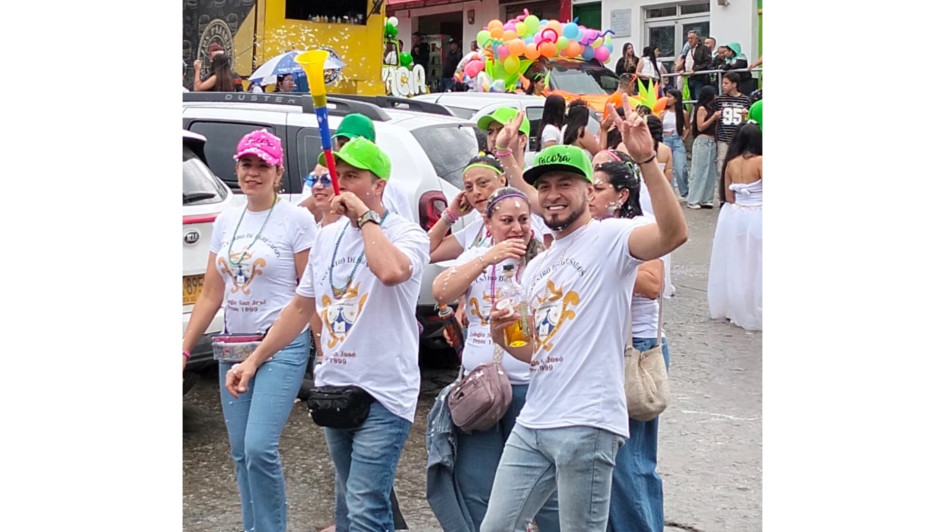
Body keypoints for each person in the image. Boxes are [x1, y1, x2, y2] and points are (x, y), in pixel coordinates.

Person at [478, 100, 688, 532]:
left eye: (565, 184)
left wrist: (647, 160)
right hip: (534, 422)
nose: (553, 194)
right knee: (495, 527)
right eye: (545, 186)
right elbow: (534, 351)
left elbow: (674, 234)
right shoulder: (538, 265)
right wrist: (503, 335)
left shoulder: (611, 238)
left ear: (588, 192)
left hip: (587, 421)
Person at [225, 136, 431, 532]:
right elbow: (301, 308)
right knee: (352, 506)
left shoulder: (407, 234)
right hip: (335, 387)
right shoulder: (327, 236)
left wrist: (365, 218)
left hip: (385, 392)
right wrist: (252, 361)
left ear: (379, 185)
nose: (342, 185)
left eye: (353, 176)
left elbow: (391, 272)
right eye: (339, 176)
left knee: (366, 506)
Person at [182, 129, 318, 532]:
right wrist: (184, 349)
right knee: (241, 451)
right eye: (246, 164)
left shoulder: (297, 220)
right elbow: (211, 293)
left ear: (278, 173)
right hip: (233, 348)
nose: (252, 173)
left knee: (259, 446)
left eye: (263, 166)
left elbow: (308, 293)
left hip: (281, 346)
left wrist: (325, 347)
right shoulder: (227, 219)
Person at [430, 186, 559, 532]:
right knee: (476, 481)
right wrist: (487, 258)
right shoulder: (476, 256)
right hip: (481, 390)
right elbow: (441, 291)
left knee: (543, 488)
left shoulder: (545, 260)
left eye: (523, 220)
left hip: (530, 387)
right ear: (488, 224)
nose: (517, 228)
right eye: (507, 221)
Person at [586, 152, 672, 532]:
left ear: (622, 195)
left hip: (635, 347)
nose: (590, 195)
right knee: (600, 457)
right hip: (601, 345)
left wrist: (603, 259)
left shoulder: (641, 226)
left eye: (598, 188)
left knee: (630, 463)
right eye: (587, 188)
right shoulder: (590, 231)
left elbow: (652, 285)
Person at [427, 153, 553, 263]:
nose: (476, 192)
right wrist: (450, 215)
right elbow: (425, 252)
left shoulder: (526, 222)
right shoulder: (475, 229)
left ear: (502, 180)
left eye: (483, 183)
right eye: (469, 187)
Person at [301, 113, 414, 224]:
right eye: (342, 144)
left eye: (356, 144)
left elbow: (406, 225)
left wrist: (362, 214)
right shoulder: (318, 179)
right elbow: (300, 221)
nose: (347, 149)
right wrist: (323, 185)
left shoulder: (393, 188)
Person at [707, 123, 762, 331]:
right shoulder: (761, 161)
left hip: (737, 215)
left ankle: (739, 304)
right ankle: (756, 303)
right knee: (758, 261)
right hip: (758, 214)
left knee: (740, 261)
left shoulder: (731, 163)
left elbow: (729, 197)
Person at [712, 72, 754, 179]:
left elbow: (749, 120)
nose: (723, 85)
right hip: (723, 138)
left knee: (739, 165)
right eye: (723, 83)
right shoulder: (719, 100)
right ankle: (722, 186)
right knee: (721, 165)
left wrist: (745, 116)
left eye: (726, 83)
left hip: (739, 138)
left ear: (734, 85)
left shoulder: (745, 100)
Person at [687, 86, 722, 209]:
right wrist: (713, 118)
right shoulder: (701, 108)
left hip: (712, 141)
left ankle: (707, 198)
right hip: (703, 140)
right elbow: (700, 126)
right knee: (699, 170)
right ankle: (693, 199)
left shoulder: (712, 108)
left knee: (711, 171)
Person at [660, 88, 690, 203]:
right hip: (665, 140)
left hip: (677, 140)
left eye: (669, 97)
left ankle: (684, 191)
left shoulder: (683, 113)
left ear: (676, 99)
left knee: (680, 167)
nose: (667, 99)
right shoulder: (663, 113)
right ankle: (670, 193)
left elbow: (688, 128)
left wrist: (683, 138)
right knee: (667, 168)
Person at [681, 30, 713, 98]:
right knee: (693, 98)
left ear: (697, 39)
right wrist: (683, 69)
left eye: (691, 38)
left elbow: (708, 62)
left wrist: (695, 69)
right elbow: (686, 61)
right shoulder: (688, 50)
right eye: (688, 38)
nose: (689, 40)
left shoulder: (704, 48)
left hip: (700, 78)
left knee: (699, 97)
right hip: (689, 78)